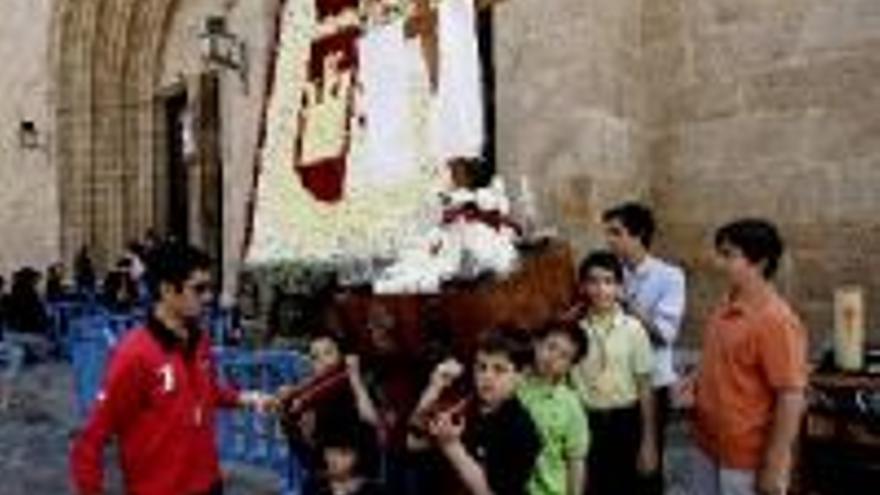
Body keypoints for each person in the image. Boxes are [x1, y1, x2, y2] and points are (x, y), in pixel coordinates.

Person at [70, 242, 275, 495]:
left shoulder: (199, 340)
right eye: (198, 289)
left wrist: (248, 399)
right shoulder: (134, 354)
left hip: (209, 484)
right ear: (167, 290)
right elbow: (92, 439)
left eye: (209, 288)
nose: (208, 297)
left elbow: (204, 391)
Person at [681, 219, 807, 495]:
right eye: (720, 253)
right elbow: (721, 360)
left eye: (729, 255)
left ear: (759, 262)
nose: (719, 263)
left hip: (745, 456)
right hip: (707, 443)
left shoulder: (776, 320)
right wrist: (695, 381)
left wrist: (776, 463)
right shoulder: (727, 302)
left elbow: (791, 395)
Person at [602, 201, 686, 492]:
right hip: (613, 382)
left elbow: (665, 335)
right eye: (607, 233)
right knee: (616, 465)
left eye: (616, 233)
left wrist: (625, 302)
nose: (609, 240)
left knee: (647, 466)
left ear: (639, 235)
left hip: (652, 383)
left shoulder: (670, 276)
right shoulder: (609, 273)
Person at [570, 251, 657, 495]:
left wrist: (648, 442)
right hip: (587, 423)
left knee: (629, 487)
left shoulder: (634, 329)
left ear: (620, 287)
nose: (601, 289)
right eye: (593, 281)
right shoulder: (574, 331)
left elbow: (645, 386)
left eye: (609, 281)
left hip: (626, 423)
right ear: (583, 287)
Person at [417, 329, 541, 495]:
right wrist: (434, 387)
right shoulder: (464, 402)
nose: (487, 376)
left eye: (499, 369)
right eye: (481, 367)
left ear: (522, 376)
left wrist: (450, 445)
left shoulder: (522, 431)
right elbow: (412, 441)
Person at [518, 322, 590, 495]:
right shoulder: (512, 384)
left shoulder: (570, 403)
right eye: (551, 347)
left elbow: (576, 461)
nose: (552, 358)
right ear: (537, 343)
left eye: (564, 356)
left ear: (569, 366)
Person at [304, 421, 385, 495]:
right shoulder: (314, 487)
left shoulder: (373, 490)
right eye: (330, 451)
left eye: (343, 454)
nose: (333, 459)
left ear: (357, 456)